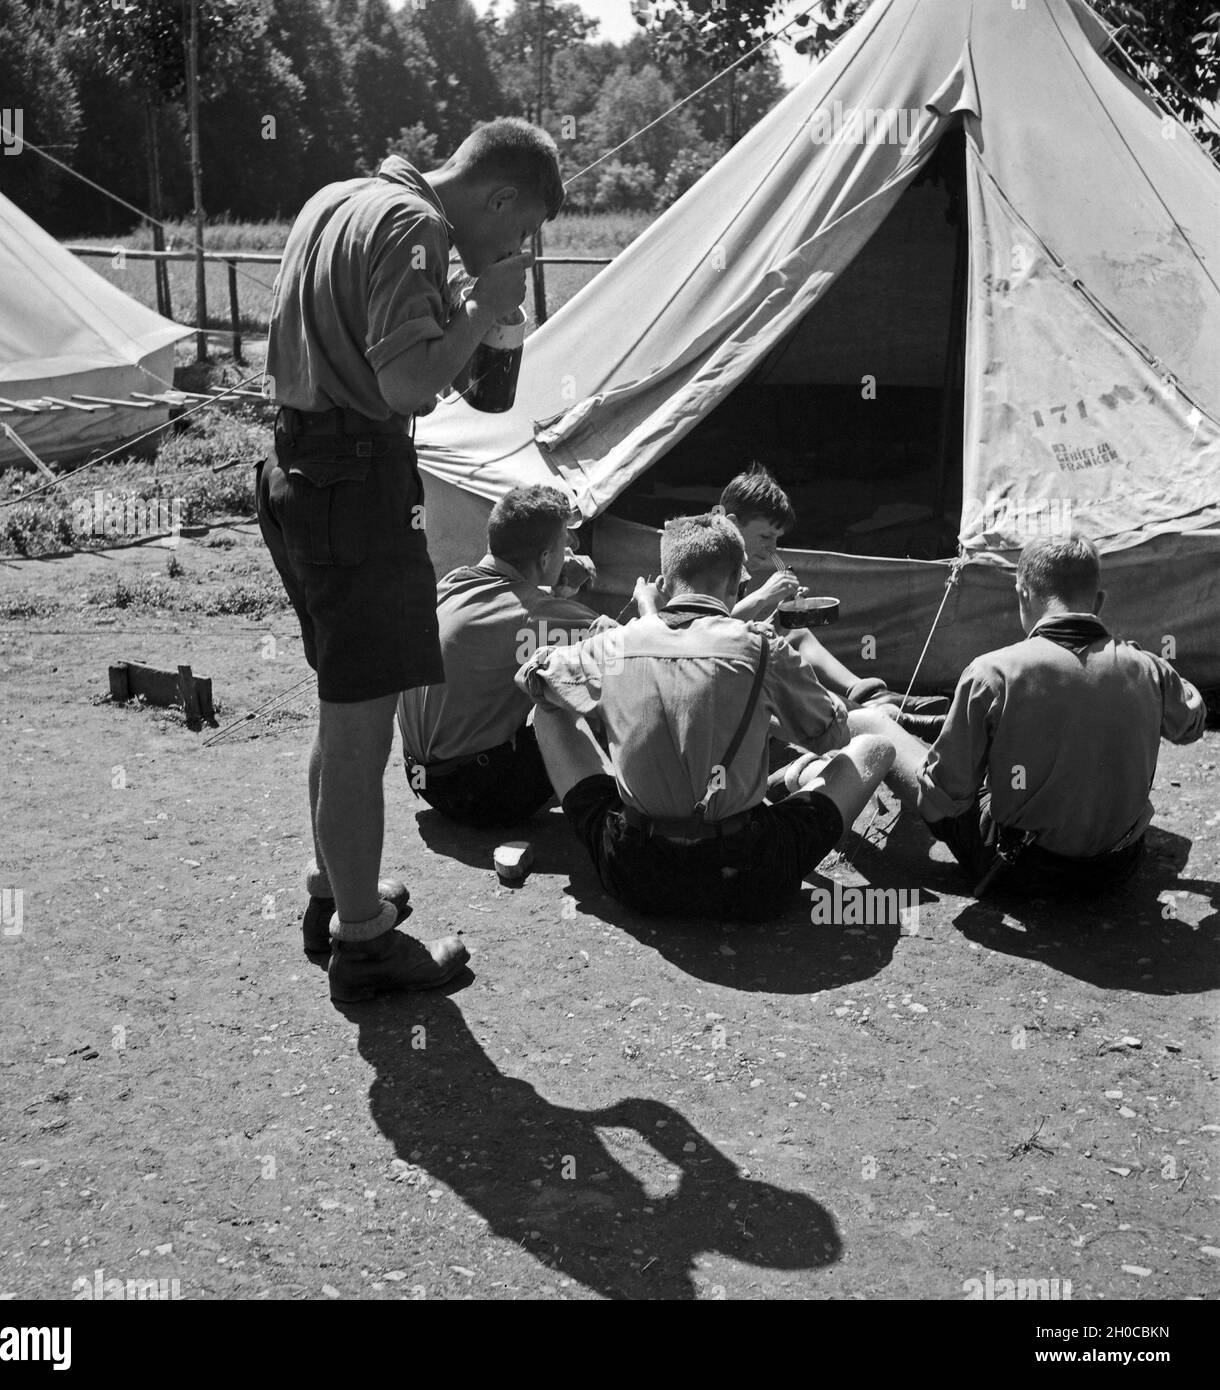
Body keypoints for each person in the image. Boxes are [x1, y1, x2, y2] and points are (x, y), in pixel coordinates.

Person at [256, 118, 564, 1003]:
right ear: (499, 195)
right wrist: (482, 306)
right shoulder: (415, 228)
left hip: (296, 471)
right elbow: (407, 386)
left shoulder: (336, 199)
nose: (520, 246)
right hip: (357, 486)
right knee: (361, 732)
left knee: (339, 710)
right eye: (524, 228)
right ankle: (364, 944)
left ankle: (334, 893)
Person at [515, 514, 895, 921]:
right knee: (876, 747)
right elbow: (833, 735)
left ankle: (775, 782)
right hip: (746, 878)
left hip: (634, 873)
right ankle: (793, 780)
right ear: (737, 582)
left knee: (547, 712)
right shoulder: (760, 646)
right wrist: (763, 716)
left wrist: (617, 702)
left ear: (663, 585)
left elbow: (533, 677)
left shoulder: (615, 644)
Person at [858, 534, 1208, 896]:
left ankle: (885, 719)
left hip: (1021, 870)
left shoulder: (992, 672)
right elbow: (1191, 725)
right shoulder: (1150, 669)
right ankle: (917, 719)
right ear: (1098, 602)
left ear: (1023, 595)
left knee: (876, 725)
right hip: (1117, 868)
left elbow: (945, 795)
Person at [398, 484, 611, 825]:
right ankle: (613, 815)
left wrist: (552, 585)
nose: (568, 552)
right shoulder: (530, 613)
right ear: (544, 558)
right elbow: (626, 643)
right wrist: (650, 602)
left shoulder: (453, 582)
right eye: (563, 546)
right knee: (577, 688)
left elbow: (511, 621)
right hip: (475, 793)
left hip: (423, 779)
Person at [717, 463, 948, 731]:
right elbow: (704, 630)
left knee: (795, 632)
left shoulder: (737, 566)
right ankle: (880, 718)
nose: (772, 549)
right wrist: (763, 596)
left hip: (732, 662)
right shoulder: (709, 562)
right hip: (720, 681)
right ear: (731, 524)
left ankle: (870, 695)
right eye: (765, 536)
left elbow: (733, 629)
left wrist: (780, 616)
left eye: (777, 539)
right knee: (781, 666)